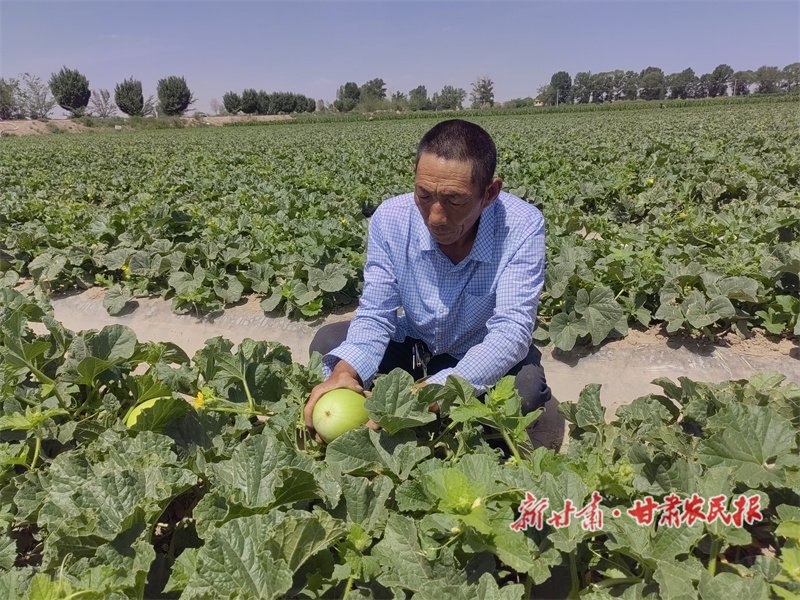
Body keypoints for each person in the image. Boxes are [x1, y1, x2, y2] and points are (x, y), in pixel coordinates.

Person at [304, 119, 551, 437]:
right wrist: (345, 371)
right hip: (415, 345)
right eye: (424, 195)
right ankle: (432, 412)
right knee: (329, 344)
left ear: (489, 193)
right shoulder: (390, 219)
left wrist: (438, 390)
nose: (435, 217)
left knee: (526, 391)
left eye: (454, 199)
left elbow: (511, 332)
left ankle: (435, 412)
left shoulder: (522, 225)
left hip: (479, 350)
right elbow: (376, 313)